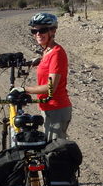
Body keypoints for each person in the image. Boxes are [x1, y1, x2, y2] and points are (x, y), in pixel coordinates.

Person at [22, 12, 72, 142]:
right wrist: (40, 60)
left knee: (54, 154)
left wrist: (24, 89)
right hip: (48, 107)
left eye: (42, 30)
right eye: (34, 31)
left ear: (53, 31)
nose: (38, 34)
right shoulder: (47, 51)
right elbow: (49, 64)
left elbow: (51, 88)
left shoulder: (57, 53)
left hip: (56, 108)